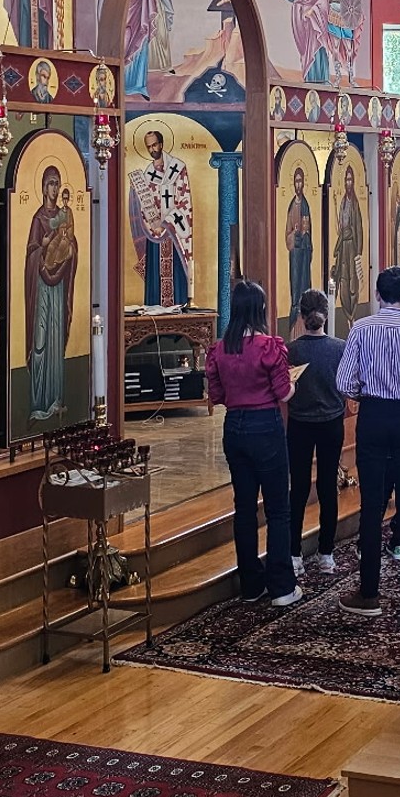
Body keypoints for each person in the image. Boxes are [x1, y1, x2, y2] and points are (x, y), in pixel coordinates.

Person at [337, 266, 400, 617]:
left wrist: (365, 393)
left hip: (374, 417)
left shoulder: (361, 329)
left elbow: (343, 381)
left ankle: (369, 594)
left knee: (371, 504)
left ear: (378, 294)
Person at [205, 279, 300, 607]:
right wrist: (293, 383)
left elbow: (217, 395)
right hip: (265, 427)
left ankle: (250, 585)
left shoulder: (219, 349)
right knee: (277, 509)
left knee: (244, 507)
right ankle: (282, 587)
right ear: (260, 309)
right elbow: (283, 393)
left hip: (234, 428)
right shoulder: (267, 346)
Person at [286, 288, 346, 576]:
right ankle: (326, 554)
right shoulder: (339, 348)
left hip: (299, 425)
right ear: (326, 314)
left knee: (298, 488)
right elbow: (346, 385)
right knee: (327, 487)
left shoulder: (292, 350)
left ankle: (294, 554)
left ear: (301, 315)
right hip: (332, 424)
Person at [26, 164, 77, 421]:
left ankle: (56, 400)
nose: (54, 189)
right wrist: (42, 246)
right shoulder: (38, 219)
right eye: (50, 184)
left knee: (55, 342)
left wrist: (70, 249)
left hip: (58, 290)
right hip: (42, 290)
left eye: (57, 184)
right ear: (43, 187)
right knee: (41, 340)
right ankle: (38, 404)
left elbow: (72, 244)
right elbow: (31, 252)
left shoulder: (64, 215)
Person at [128, 130, 193, 306]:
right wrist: (135, 191)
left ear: (161, 144)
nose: (152, 149)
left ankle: (178, 311)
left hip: (174, 236)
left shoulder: (178, 168)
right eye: (149, 147)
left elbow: (184, 201)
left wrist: (166, 224)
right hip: (155, 238)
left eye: (154, 145)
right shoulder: (147, 174)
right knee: (156, 278)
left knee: (176, 275)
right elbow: (144, 206)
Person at [330, 165, 364, 324]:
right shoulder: (343, 202)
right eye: (346, 180)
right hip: (343, 246)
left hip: (352, 247)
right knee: (343, 281)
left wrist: (358, 251)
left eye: (351, 180)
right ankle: (346, 316)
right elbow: (339, 228)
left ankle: (353, 316)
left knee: (352, 283)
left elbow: (359, 228)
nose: (348, 183)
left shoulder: (355, 204)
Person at [283, 166, 313, 326]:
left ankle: (305, 314)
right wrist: (294, 234)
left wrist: (305, 233)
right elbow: (287, 233)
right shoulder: (291, 206)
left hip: (305, 251)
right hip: (295, 252)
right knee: (295, 285)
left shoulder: (306, 205)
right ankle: (295, 316)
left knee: (304, 282)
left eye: (301, 181)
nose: (298, 185)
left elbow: (308, 229)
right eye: (296, 181)